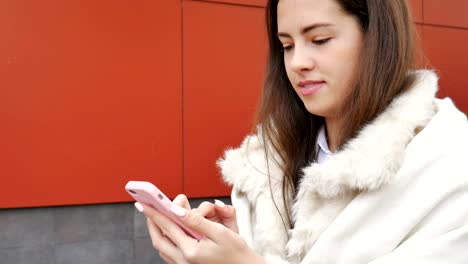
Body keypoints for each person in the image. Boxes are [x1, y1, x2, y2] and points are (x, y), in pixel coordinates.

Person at [135, 0, 468, 263]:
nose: (297, 62)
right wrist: (237, 243)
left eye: (319, 40)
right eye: (287, 45)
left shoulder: (448, 162)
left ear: (377, 36)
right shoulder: (267, 162)